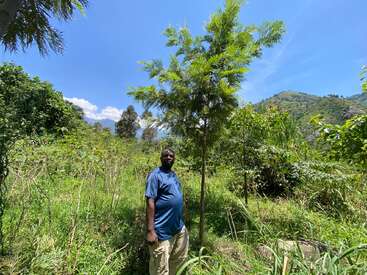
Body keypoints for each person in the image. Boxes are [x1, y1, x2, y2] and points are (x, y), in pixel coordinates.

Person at [145, 148, 189, 275]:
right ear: (161, 158)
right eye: (166, 155)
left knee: (177, 262)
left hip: (178, 228)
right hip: (161, 231)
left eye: (171, 156)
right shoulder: (155, 175)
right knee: (160, 270)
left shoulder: (173, 175)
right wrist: (150, 231)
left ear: (174, 159)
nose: (169, 157)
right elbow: (150, 202)